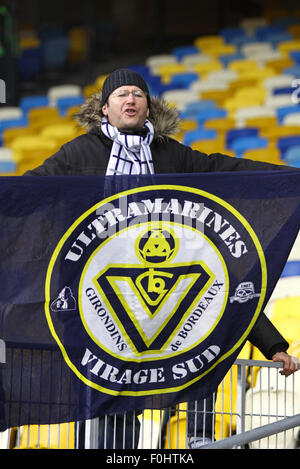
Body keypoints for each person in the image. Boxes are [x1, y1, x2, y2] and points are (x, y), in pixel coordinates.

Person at [24, 68, 299, 448]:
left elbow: (224, 172)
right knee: (111, 401)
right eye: (122, 93)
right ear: (104, 108)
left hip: (166, 269)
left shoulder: (171, 155)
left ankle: (199, 439)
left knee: (202, 332)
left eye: (138, 93)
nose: (132, 98)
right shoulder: (79, 154)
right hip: (100, 286)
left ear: (149, 108)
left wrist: (290, 179)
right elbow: (31, 190)